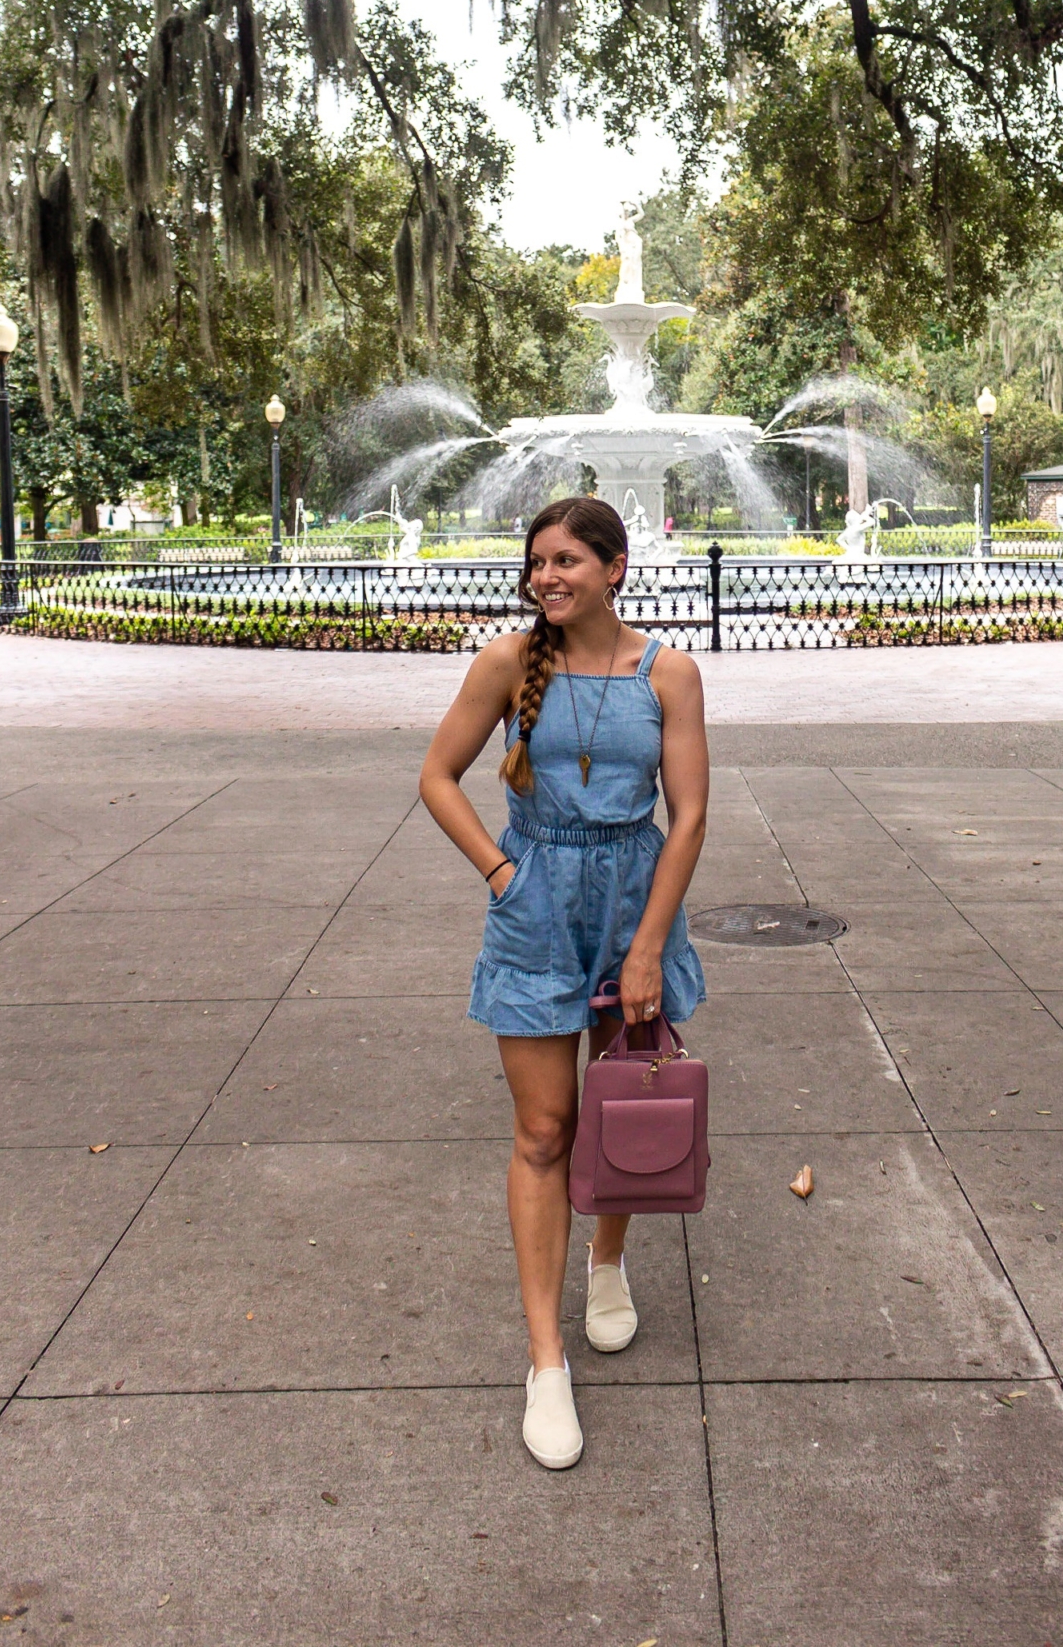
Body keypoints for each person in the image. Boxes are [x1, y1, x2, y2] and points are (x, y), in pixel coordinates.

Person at [419, 497, 708, 1468]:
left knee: (618, 1105)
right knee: (544, 1127)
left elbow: (692, 813)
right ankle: (546, 1360)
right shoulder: (506, 662)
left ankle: (609, 1259)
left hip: (634, 901)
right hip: (538, 906)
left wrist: (647, 944)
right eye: (537, 561)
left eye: (568, 559)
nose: (546, 575)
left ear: (617, 566)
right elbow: (436, 775)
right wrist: (502, 873)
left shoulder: (668, 671)